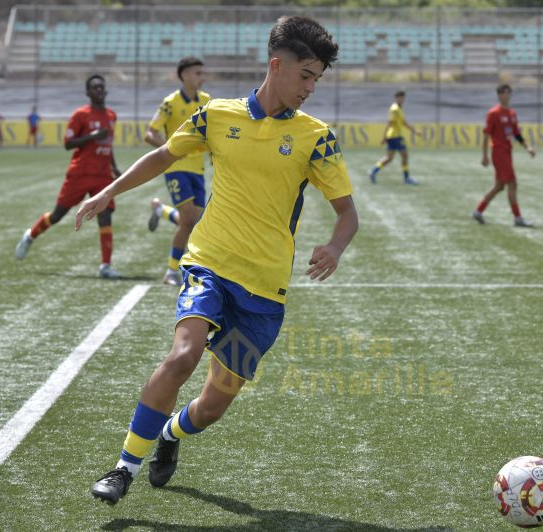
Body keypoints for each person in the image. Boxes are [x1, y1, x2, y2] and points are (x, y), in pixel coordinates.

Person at [79, 15, 357, 506]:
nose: (312, 88)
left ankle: (170, 436)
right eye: (306, 75)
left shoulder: (317, 137)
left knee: (211, 406)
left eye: (318, 78)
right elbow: (164, 155)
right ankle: (123, 467)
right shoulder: (218, 116)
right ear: (277, 65)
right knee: (183, 355)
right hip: (208, 264)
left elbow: (347, 214)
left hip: (265, 293)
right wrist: (108, 191)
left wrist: (334, 246)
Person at [15, 75, 122, 279]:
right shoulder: (80, 115)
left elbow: (107, 146)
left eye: (102, 87)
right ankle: (30, 236)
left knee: (105, 215)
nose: (99, 90)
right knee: (57, 215)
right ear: (88, 93)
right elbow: (68, 144)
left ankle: (105, 266)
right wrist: (92, 136)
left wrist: (114, 167)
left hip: (102, 175)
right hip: (80, 173)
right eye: (95, 87)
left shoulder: (111, 115)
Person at [145, 56, 211, 286]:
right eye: (197, 73)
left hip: (198, 168)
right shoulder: (170, 102)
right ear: (184, 75)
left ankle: (161, 211)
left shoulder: (207, 101)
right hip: (176, 167)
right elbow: (150, 133)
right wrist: (169, 150)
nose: (202, 78)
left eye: (202, 73)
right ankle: (171, 272)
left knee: (192, 223)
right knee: (190, 221)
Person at [472, 84, 535, 227]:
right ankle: (518, 218)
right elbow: (486, 135)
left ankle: (478, 211)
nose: (506, 96)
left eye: (508, 93)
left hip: (507, 152)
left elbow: (516, 134)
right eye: (503, 93)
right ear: (499, 95)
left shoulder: (512, 113)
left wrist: (528, 147)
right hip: (499, 153)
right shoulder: (493, 113)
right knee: (512, 184)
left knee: (500, 186)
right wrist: (484, 155)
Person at [368, 90, 420, 185]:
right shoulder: (394, 109)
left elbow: (403, 122)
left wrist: (414, 131)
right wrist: (384, 137)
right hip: (395, 136)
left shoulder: (399, 109)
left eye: (403, 97)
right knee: (405, 155)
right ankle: (406, 178)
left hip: (394, 136)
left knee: (389, 158)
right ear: (396, 98)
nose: (402, 99)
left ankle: (373, 172)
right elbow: (390, 123)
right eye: (400, 97)